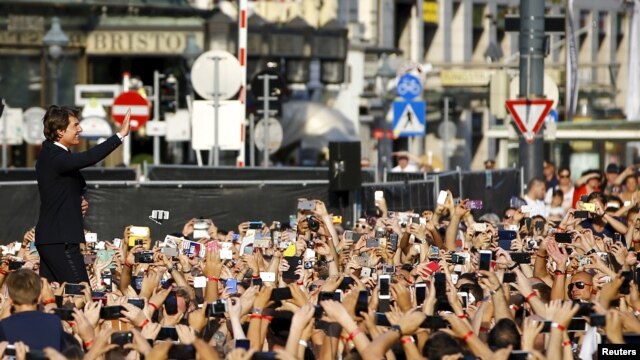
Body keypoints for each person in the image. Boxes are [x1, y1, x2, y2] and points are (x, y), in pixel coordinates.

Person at [35, 105, 130, 283]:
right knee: (81, 291)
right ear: (60, 131)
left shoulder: (56, 155)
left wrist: (78, 200)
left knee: (54, 296)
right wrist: (119, 135)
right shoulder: (53, 155)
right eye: (75, 125)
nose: (80, 129)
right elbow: (88, 158)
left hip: (55, 239)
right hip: (59, 239)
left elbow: (66, 187)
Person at [0, 269, 65, 350]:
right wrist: (50, 302)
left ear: (10, 300)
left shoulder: (5, 325)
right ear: (39, 297)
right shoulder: (54, 321)